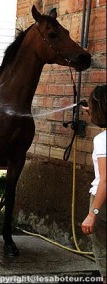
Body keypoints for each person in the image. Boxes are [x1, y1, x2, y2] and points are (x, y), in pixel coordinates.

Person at [81, 84, 106, 283]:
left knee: (104, 254)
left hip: (102, 203)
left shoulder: (102, 140)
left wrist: (92, 214)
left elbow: (106, 180)